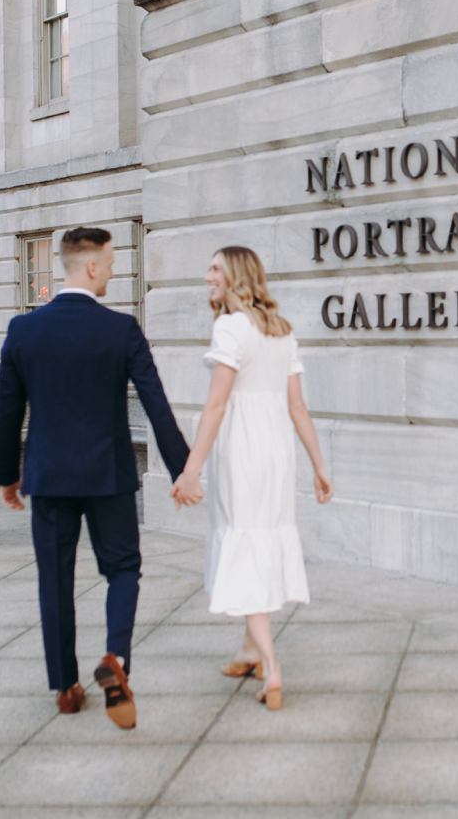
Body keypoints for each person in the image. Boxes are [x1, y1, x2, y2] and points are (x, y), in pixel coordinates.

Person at [0, 226, 190, 730]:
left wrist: (7, 477)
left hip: (50, 476)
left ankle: (65, 687)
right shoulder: (120, 330)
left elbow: (7, 414)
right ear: (93, 267)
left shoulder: (24, 331)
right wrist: (182, 467)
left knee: (54, 582)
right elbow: (156, 405)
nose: (115, 270)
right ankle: (116, 661)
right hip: (109, 475)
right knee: (123, 568)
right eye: (112, 261)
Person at [170, 245, 334, 711]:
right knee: (260, 538)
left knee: (245, 546)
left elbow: (217, 405)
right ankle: (248, 651)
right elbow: (298, 408)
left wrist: (191, 469)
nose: (207, 276)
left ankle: (271, 664)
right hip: (277, 451)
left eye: (215, 268)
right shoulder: (281, 332)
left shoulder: (231, 327)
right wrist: (320, 465)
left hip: (242, 450)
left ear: (238, 276)